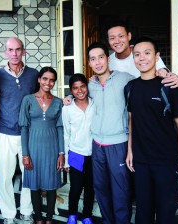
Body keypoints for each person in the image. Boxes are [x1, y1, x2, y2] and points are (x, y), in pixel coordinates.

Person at [126, 37, 178, 224]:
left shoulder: (170, 86)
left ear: (156, 56)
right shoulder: (130, 87)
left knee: (166, 211)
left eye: (147, 53)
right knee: (143, 212)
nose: (142, 58)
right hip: (140, 161)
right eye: (137, 54)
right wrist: (130, 151)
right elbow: (132, 121)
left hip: (166, 161)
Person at [86, 42, 135, 224]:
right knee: (101, 188)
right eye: (93, 59)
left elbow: (147, 79)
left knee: (120, 190)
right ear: (89, 63)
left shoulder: (125, 78)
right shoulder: (89, 86)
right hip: (97, 144)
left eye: (101, 57)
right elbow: (78, 100)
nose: (97, 62)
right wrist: (68, 99)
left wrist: (165, 73)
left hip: (118, 144)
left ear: (108, 59)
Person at [0, 37, 38, 224]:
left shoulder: (33, 74)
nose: (14, 54)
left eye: (18, 49)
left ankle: (26, 210)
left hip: (28, 133)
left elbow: (42, 96)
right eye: (10, 50)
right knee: (4, 175)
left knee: (29, 173)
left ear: (24, 51)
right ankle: (8, 214)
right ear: (5, 52)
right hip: (4, 132)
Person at [19, 67, 65, 224]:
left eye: (52, 80)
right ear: (39, 79)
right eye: (45, 79)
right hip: (33, 148)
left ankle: (49, 218)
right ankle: (38, 218)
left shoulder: (58, 102)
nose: (48, 83)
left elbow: (60, 128)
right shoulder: (28, 100)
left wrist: (61, 153)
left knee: (52, 184)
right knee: (35, 185)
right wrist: (25, 154)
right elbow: (24, 128)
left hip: (52, 148)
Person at [62, 74, 95, 224]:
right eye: (75, 88)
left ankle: (87, 215)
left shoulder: (96, 103)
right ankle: (72, 214)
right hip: (76, 153)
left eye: (82, 86)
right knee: (75, 188)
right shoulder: (67, 108)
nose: (80, 90)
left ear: (87, 87)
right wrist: (67, 161)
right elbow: (66, 134)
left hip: (95, 154)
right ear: (71, 90)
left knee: (90, 188)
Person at [107, 21, 178, 86]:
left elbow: (164, 71)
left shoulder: (145, 54)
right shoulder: (108, 62)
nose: (117, 41)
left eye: (121, 36)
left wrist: (170, 76)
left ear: (129, 36)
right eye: (112, 38)